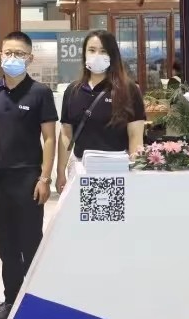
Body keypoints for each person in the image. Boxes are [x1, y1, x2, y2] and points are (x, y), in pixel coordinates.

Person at [0, 31, 57, 319]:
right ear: (0, 54)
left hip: (29, 178)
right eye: (7, 52)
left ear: (30, 58)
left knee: (31, 242)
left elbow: (49, 138)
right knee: (7, 244)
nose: (12, 58)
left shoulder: (40, 92)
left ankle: (36, 300)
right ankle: (11, 300)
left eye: (19, 54)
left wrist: (45, 178)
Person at [57, 30, 146, 195]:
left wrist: (136, 170)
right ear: (84, 54)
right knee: (82, 211)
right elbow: (66, 134)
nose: (97, 55)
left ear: (112, 55)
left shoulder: (129, 89)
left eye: (103, 51)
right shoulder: (73, 90)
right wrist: (60, 171)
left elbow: (135, 136)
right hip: (81, 168)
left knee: (112, 210)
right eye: (92, 50)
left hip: (117, 168)